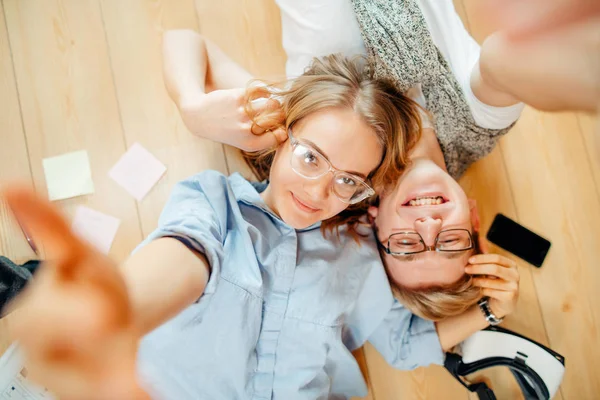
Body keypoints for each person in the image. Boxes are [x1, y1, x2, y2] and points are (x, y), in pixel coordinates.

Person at [3, 54, 519, 400]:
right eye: (311, 157)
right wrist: (115, 313)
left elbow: (405, 345)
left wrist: (491, 310)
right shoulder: (214, 207)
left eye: (348, 181)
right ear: (280, 137)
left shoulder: (361, 254)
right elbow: (177, 263)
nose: (319, 193)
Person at [163, 0, 524, 320]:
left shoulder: (319, 145)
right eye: (449, 242)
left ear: (374, 223)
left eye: (407, 245)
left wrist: (191, 107)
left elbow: (186, 42)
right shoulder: (477, 126)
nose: (429, 226)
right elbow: (509, 57)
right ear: (474, 218)